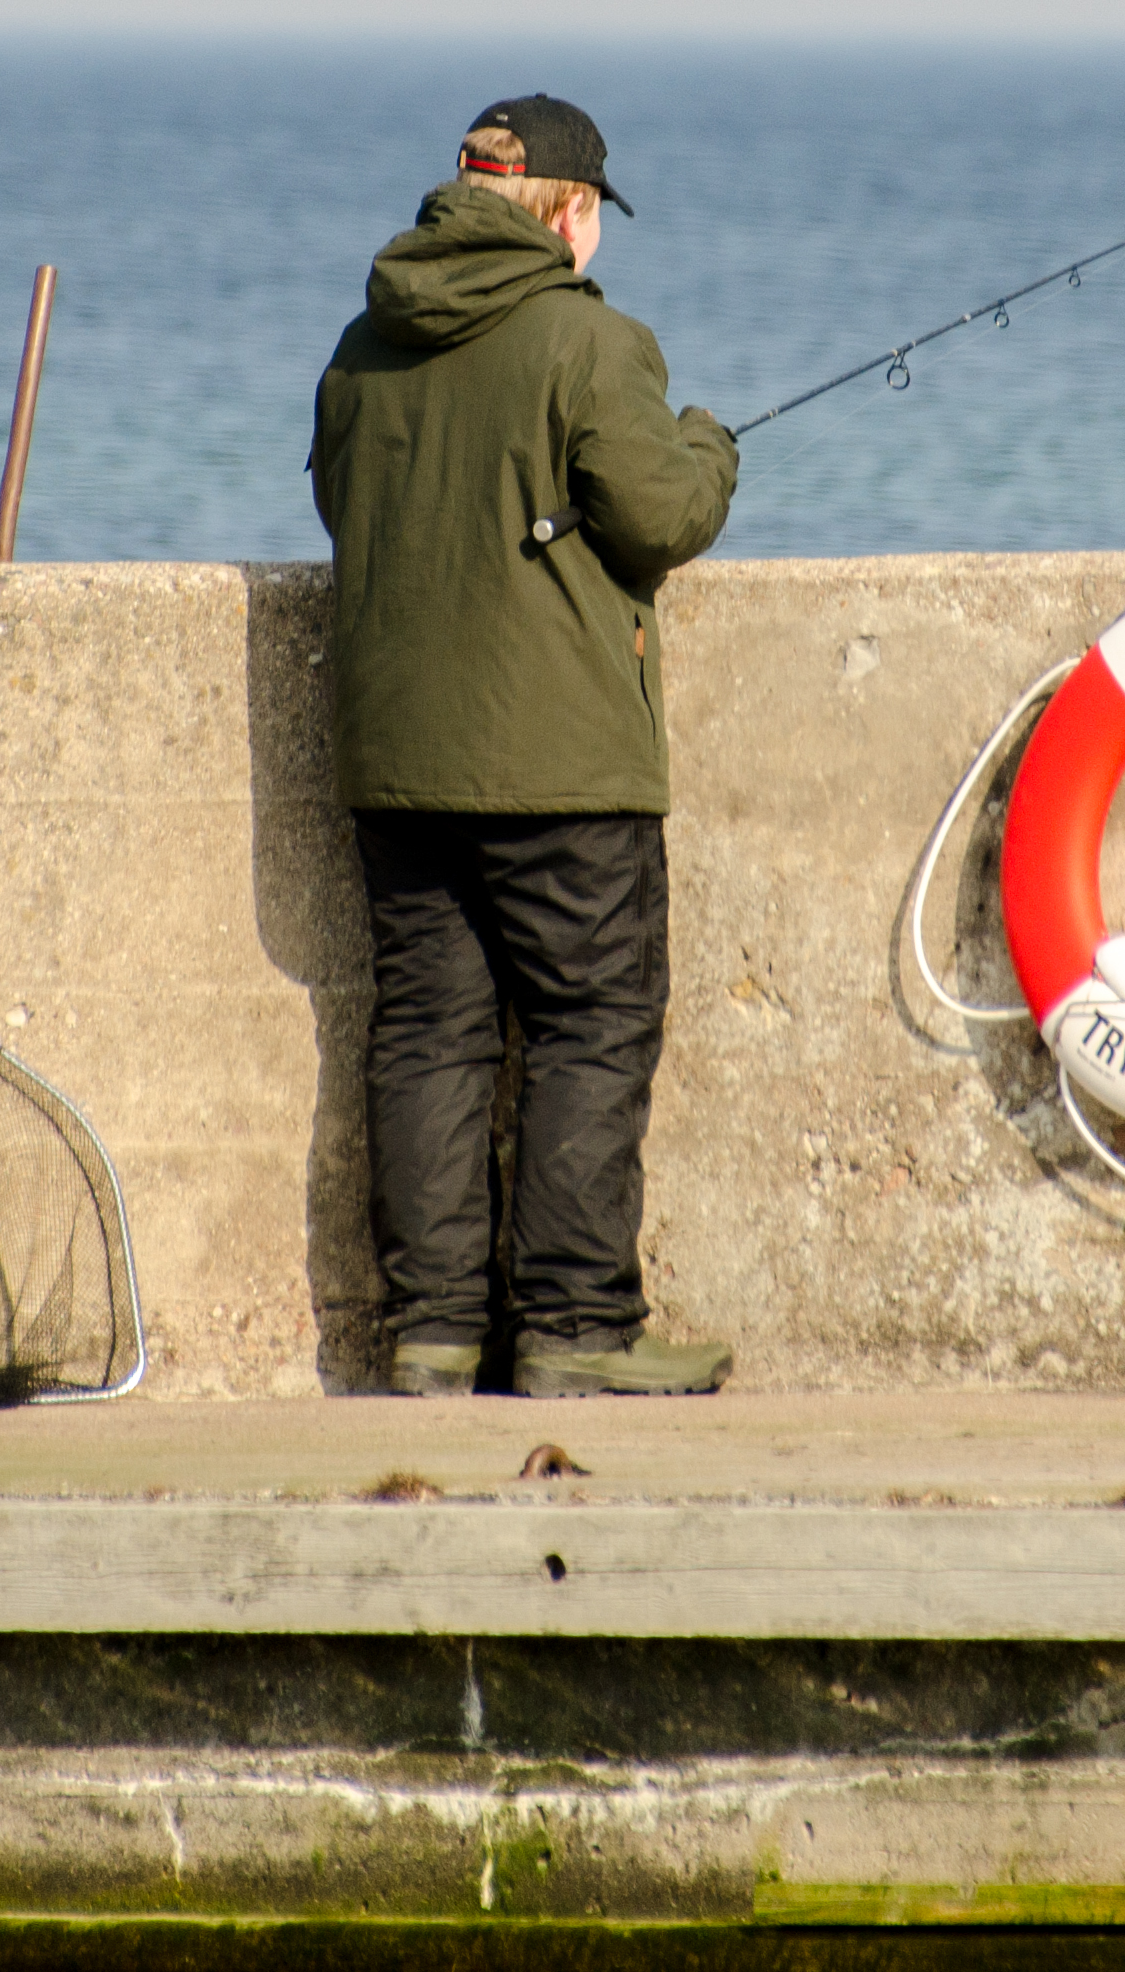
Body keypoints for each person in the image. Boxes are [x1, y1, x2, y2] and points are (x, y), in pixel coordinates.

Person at [308, 94, 742, 1397]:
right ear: (568, 209)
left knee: (429, 1032)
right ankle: (575, 1329)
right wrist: (709, 446)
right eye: (596, 215)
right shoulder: (590, 342)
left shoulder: (365, 343)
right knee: (591, 1024)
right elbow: (659, 515)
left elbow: (340, 500)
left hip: (399, 760)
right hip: (563, 764)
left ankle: (435, 1331)